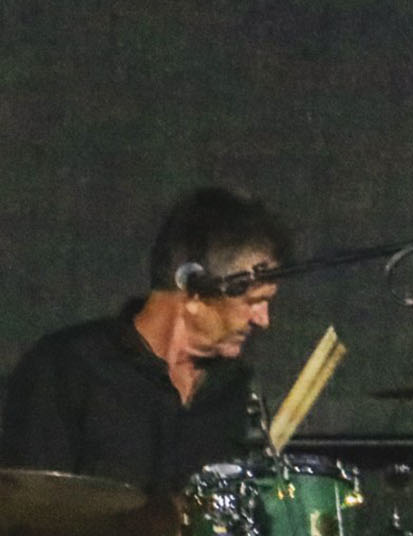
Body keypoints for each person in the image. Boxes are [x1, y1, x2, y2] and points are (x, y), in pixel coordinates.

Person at [0, 186, 290, 495]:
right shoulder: (67, 369)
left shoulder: (237, 390)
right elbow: (28, 506)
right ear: (193, 288)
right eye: (253, 302)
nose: (263, 320)